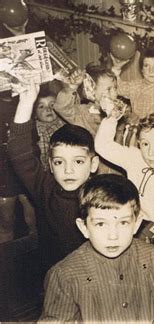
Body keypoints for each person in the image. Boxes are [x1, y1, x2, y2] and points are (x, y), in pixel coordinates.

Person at [39, 174, 154, 322]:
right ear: (84, 228)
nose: (113, 236)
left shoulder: (152, 255)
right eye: (100, 224)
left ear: (137, 224)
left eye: (123, 223)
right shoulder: (64, 276)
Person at [8, 81, 98, 273]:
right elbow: (18, 151)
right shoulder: (44, 187)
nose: (68, 170)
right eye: (59, 162)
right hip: (54, 278)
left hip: (93, 276)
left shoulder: (102, 194)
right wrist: (26, 101)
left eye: (78, 162)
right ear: (50, 164)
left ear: (94, 164)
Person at [95, 110, 154, 236]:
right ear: (139, 143)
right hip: (133, 218)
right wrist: (111, 119)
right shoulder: (135, 157)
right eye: (146, 144)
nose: (151, 152)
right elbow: (103, 146)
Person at [0, 1, 37, 243]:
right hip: (2, 146)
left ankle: (37, 248)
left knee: (32, 204)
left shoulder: (31, 40)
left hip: (25, 137)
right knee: (6, 214)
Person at [34, 84, 65, 170]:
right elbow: (43, 153)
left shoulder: (63, 122)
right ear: (35, 114)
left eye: (52, 105)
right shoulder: (37, 129)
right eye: (41, 106)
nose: (48, 109)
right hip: (48, 168)